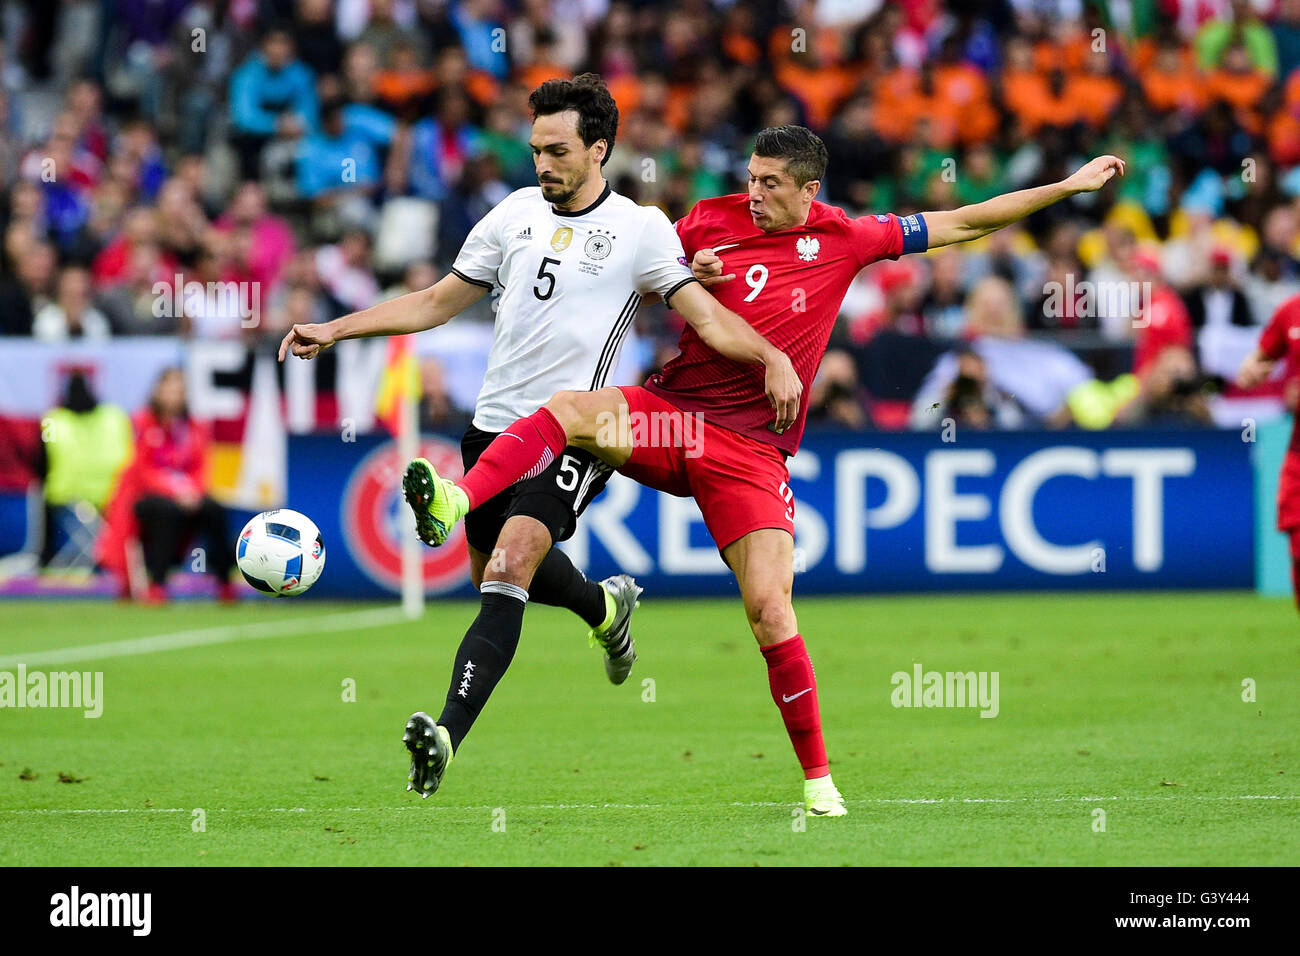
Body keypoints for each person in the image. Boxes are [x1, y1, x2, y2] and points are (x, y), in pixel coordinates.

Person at [408, 125, 1124, 816]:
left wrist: (1069, 185)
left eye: (771, 185)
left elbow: (965, 222)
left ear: (808, 192)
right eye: (750, 178)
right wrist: (688, 277)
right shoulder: (707, 219)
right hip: (670, 416)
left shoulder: (847, 238)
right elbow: (635, 278)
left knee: (771, 611)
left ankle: (818, 782)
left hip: (752, 454)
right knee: (568, 408)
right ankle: (458, 496)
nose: (753, 194)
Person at [277, 75, 801, 800]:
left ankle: (445, 737)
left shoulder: (642, 229)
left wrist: (771, 356)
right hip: (494, 430)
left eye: (558, 151)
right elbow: (436, 301)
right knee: (499, 569)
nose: (543, 164)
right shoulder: (514, 213)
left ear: (599, 150)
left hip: (577, 433)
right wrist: (336, 328)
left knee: (508, 569)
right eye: (535, 150)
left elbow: (707, 318)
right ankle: (604, 608)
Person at [97, 367, 236, 603]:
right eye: (170, 389)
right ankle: (158, 583)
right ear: (158, 391)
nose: (175, 395)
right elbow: (142, 471)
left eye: (180, 390)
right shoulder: (142, 423)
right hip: (147, 497)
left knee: (215, 510)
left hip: (187, 495)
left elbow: (201, 467)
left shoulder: (195, 427)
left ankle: (224, 582)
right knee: (166, 511)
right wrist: (175, 492)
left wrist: (192, 492)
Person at [1239, 293, 1300, 610]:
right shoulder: (1291, 311)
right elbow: (1261, 357)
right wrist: (1251, 370)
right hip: (1298, 455)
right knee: (1298, 555)